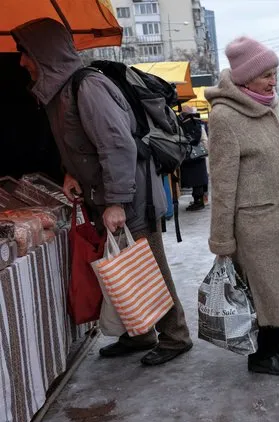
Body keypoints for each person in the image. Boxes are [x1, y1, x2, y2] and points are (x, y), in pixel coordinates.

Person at [11, 18, 193, 366]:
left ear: (44, 53)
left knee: (148, 265)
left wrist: (116, 202)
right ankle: (140, 334)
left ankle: (176, 336)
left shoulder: (87, 86)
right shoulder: (60, 91)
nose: (22, 62)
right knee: (122, 264)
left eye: (25, 53)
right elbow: (80, 145)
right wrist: (68, 173)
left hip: (132, 195)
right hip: (107, 194)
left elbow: (117, 145)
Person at [205, 37, 279, 376]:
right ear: (245, 78)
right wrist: (222, 241)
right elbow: (223, 186)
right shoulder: (225, 117)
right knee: (263, 291)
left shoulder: (268, 105)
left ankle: (277, 340)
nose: (273, 81)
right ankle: (261, 355)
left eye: (275, 73)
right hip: (256, 225)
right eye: (266, 75)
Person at [179, 106, 209, 211]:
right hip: (199, 155)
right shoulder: (197, 123)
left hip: (191, 155)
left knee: (195, 180)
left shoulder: (187, 124)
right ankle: (199, 200)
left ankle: (198, 202)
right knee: (199, 180)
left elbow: (189, 139)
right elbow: (202, 138)